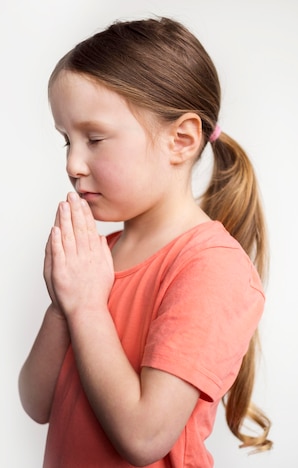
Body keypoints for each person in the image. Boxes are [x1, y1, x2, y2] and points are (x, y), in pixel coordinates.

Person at [18, 16, 272, 467]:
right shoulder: (99, 257)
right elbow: (37, 404)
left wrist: (87, 306)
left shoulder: (211, 268)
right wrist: (62, 303)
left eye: (94, 138)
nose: (73, 163)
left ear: (181, 140)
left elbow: (144, 437)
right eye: (66, 141)